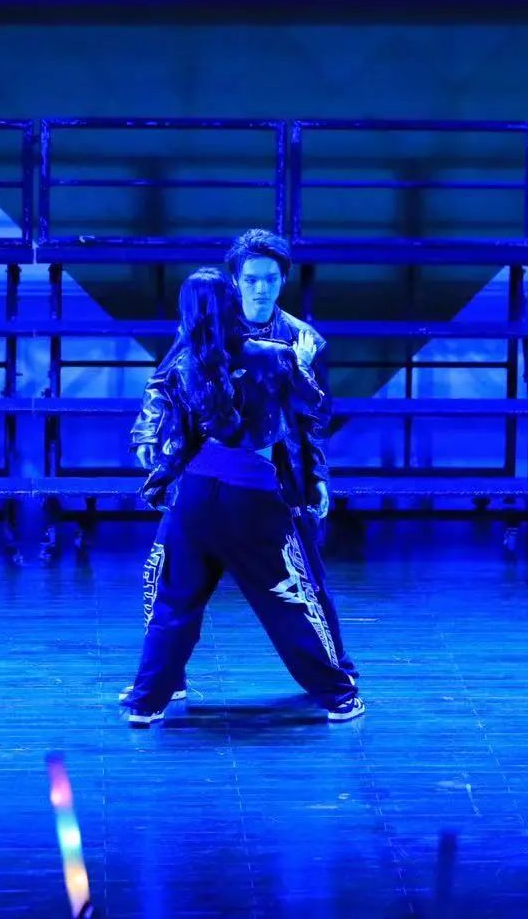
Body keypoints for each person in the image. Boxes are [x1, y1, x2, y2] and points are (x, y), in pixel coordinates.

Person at [121, 268, 363, 726]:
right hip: (251, 495)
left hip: (195, 493)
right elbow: (314, 407)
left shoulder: (185, 363)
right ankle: (340, 697)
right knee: (288, 601)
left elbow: (171, 416)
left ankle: (145, 703)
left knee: (174, 602)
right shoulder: (275, 354)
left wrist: (150, 445)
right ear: (233, 303)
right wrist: (302, 363)